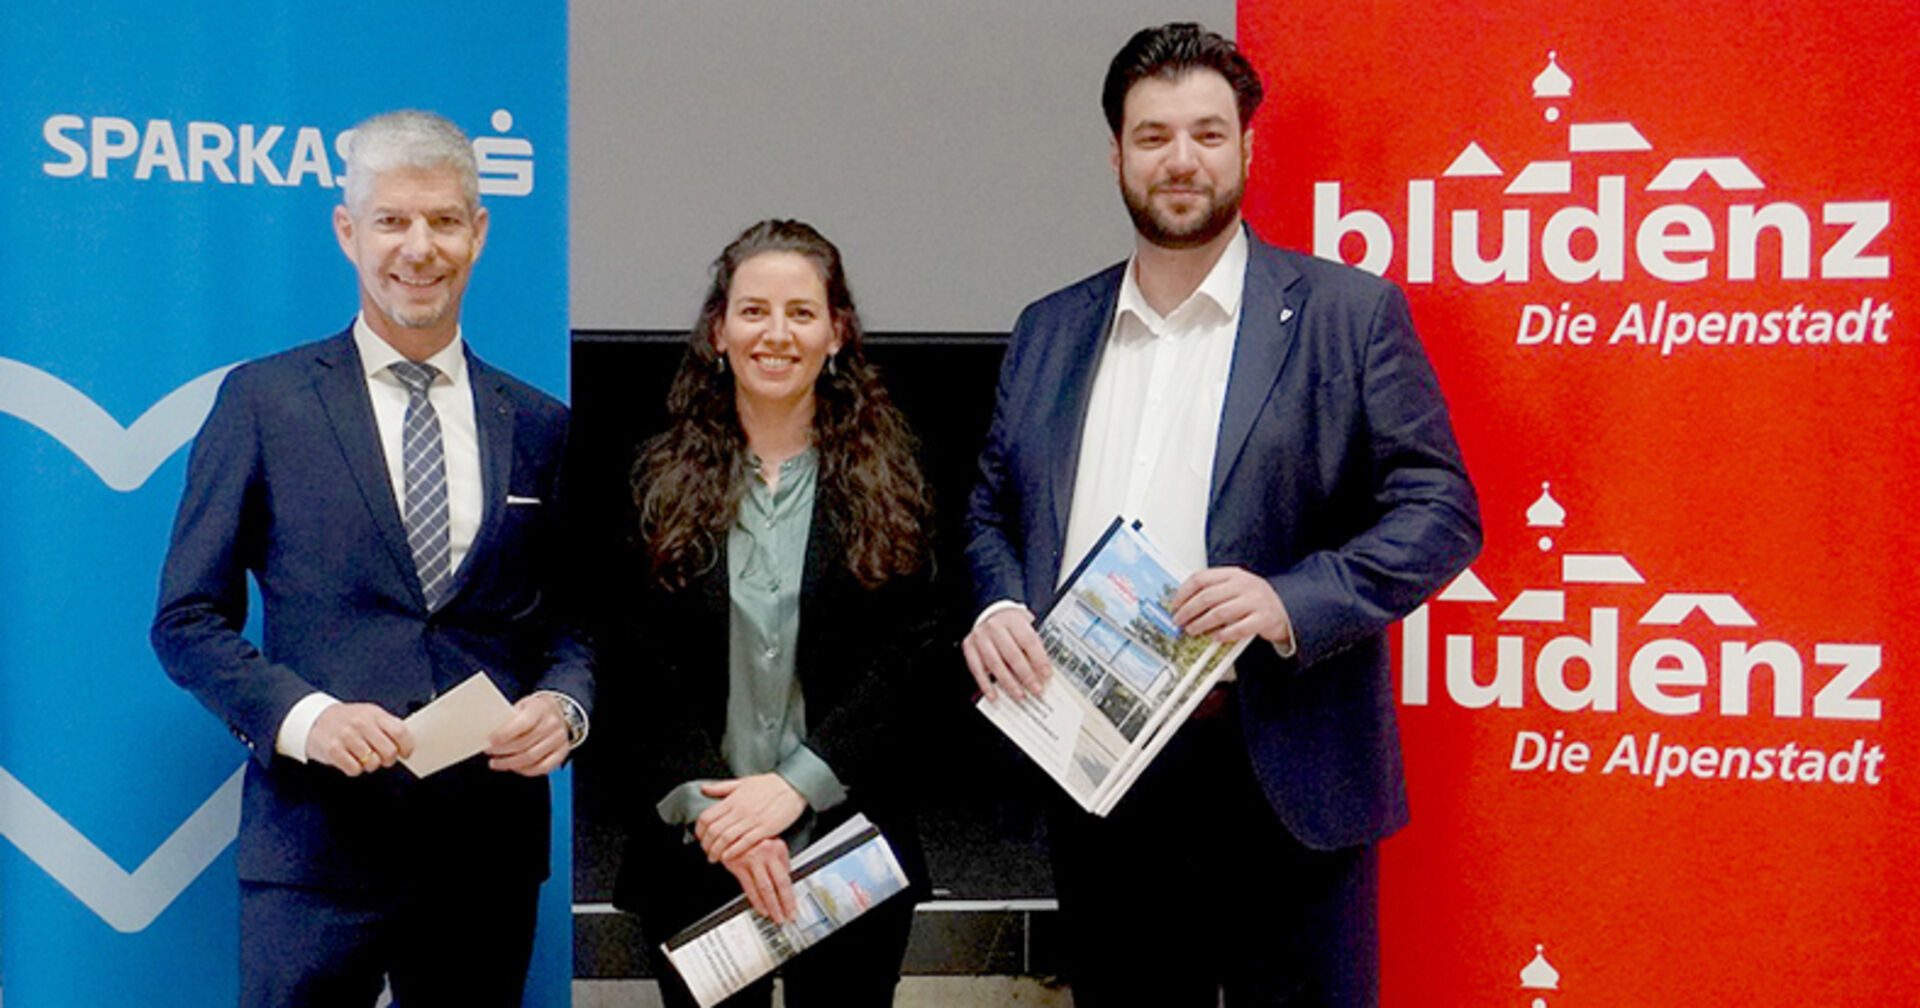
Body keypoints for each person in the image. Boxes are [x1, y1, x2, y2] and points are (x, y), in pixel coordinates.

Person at [962, 23, 1482, 1008]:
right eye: (1153, 136)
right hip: (1099, 770)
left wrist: (1291, 600)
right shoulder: (1048, 329)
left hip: (1281, 766)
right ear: (1115, 155)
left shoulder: (1348, 313)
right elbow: (992, 508)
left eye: (1207, 133)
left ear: (1248, 147)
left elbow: (1441, 508)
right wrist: (996, 609)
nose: (1181, 160)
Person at [151, 109, 592, 1008]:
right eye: (392, 220)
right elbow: (187, 620)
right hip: (314, 849)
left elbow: (572, 624)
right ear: (348, 232)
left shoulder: (543, 426)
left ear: (479, 231)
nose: (418, 247)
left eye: (442, 220)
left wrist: (565, 706)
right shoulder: (264, 401)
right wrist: (307, 718)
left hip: (485, 858)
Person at [604, 220, 935, 1008]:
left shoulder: (896, 480)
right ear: (718, 331)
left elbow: (914, 654)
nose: (776, 334)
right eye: (753, 311)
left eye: (801, 312)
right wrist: (718, 814)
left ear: (837, 332)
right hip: (697, 853)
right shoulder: (652, 479)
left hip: (847, 851)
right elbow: (630, 660)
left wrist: (795, 788)